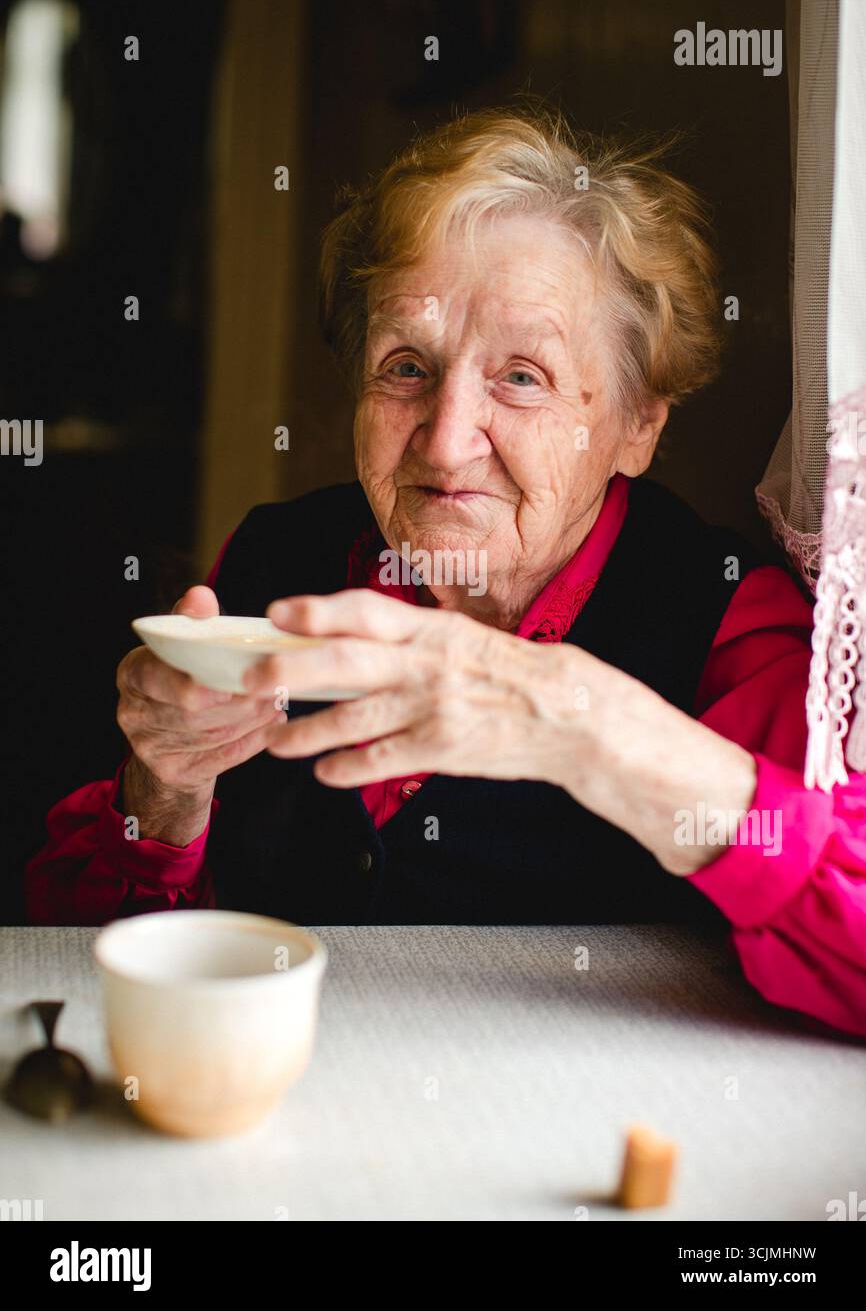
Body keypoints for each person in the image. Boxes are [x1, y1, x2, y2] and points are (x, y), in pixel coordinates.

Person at [27, 106, 866, 1037]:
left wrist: (585, 727)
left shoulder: (727, 616)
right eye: (406, 366)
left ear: (639, 424)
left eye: (522, 376)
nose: (446, 435)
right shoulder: (275, 566)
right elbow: (76, 962)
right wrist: (167, 794)